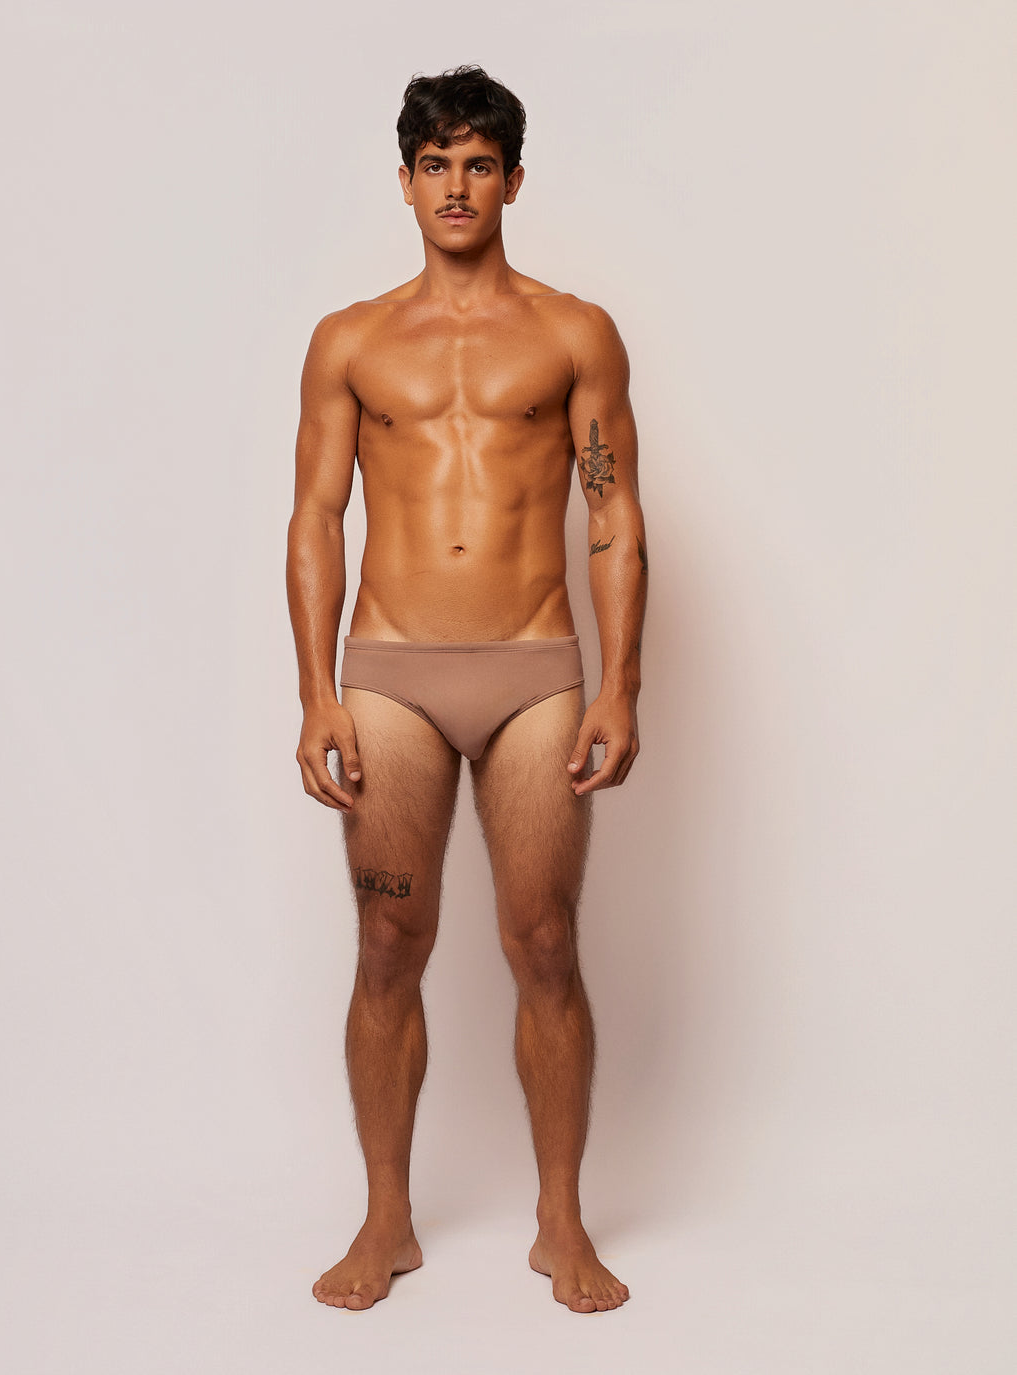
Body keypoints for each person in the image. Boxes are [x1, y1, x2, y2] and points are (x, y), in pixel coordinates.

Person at [286, 64, 646, 1314]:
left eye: (477, 164)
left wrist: (620, 686)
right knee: (388, 943)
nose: (455, 186)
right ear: (403, 181)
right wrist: (314, 693)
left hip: (533, 669)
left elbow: (612, 516)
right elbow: (314, 518)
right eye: (434, 164)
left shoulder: (572, 333)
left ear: (512, 181)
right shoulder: (349, 340)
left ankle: (560, 1221)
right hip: (390, 670)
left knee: (543, 943)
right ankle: (385, 1218)